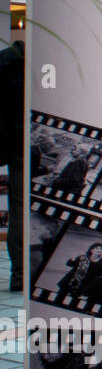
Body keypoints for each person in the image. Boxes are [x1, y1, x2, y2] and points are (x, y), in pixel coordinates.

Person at [0, 40, 23, 291]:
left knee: (19, 207)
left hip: (13, 144)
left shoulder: (4, 61)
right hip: (20, 144)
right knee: (20, 206)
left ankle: (20, 275)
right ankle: (19, 274)